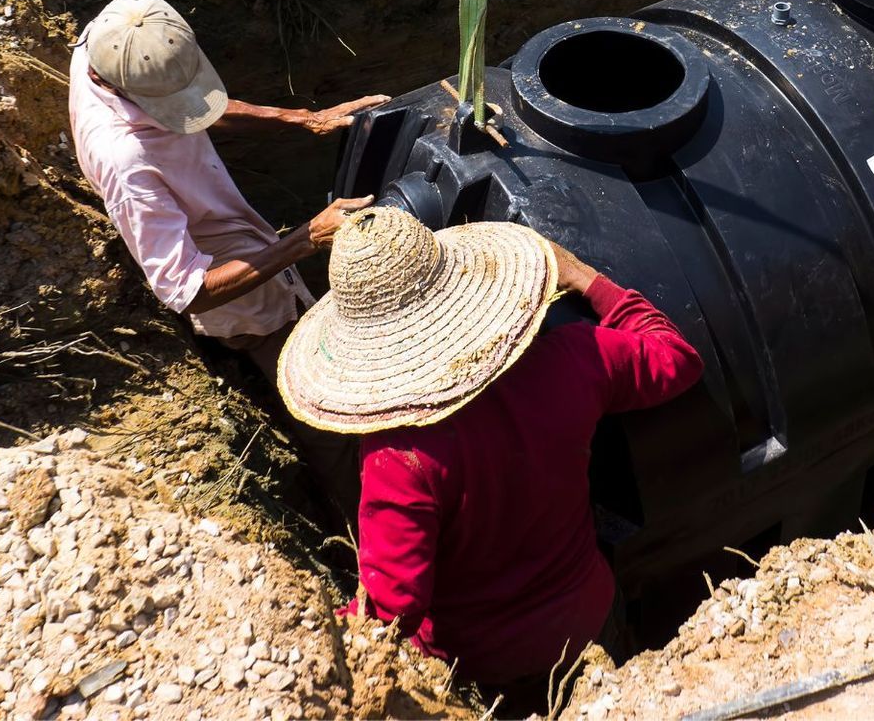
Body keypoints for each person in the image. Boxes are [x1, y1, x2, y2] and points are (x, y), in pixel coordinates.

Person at [276, 206, 704, 694]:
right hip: (586, 624)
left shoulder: (398, 456)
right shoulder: (574, 357)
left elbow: (393, 608)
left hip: (478, 666)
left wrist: (314, 638)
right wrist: (582, 276)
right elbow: (678, 359)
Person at [68, 0, 385, 500]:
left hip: (229, 220)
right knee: (322, 408)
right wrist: (305, 239)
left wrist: (303, 119)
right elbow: (186, 290)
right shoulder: (126, 162)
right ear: (121, 90)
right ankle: (360, 514)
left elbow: (191, 105)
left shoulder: (114, 34)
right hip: (235, 289)